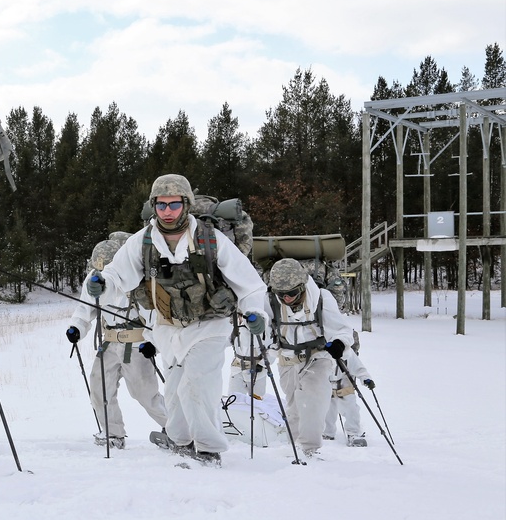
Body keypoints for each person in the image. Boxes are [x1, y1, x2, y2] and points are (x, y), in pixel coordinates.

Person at [88, 174, 267, 466]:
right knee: (174, 390)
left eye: (173, 204)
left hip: (209, 325)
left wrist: (256, 314)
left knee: (197, 383)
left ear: (185, 204)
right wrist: (102, 284)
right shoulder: (143, 241)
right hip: (168, 329)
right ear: (153, 207)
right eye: (160, 205)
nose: (167, 211)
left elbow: (250, 284)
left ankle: (208, 449)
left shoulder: (211, 239)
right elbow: (118, 275)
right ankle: (181, 441)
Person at [66, 232, 167, 449]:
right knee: (99, 388)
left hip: (137, 345)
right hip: (109, 343)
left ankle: (175, 428)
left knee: (145, 394)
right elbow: (85, 309)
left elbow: (153, 314)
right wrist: (76, 328)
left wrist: (152, 342)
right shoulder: (93, 280)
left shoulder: (139, 281)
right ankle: (112, 433)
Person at [261, 258, 355, 458]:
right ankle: (294, 448)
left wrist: (339, 343)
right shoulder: (269, 300)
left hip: (317, 355)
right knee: (294, 405)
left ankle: (309, 449)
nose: (286, 298)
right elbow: (266, 331)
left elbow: (342, 330)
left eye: (292, 293)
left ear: (302, 286)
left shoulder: (322, 298)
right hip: (287, 357)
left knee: (313, 400)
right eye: (282, 294)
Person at [324, 330, 374, 447]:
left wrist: (365, 378)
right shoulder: (322, 351)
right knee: (326, 410)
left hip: (345, 384)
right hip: (327, 386)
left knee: (351, 409)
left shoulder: (348, 353)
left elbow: (359, 368)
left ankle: (353, 433)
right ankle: (327, 432)